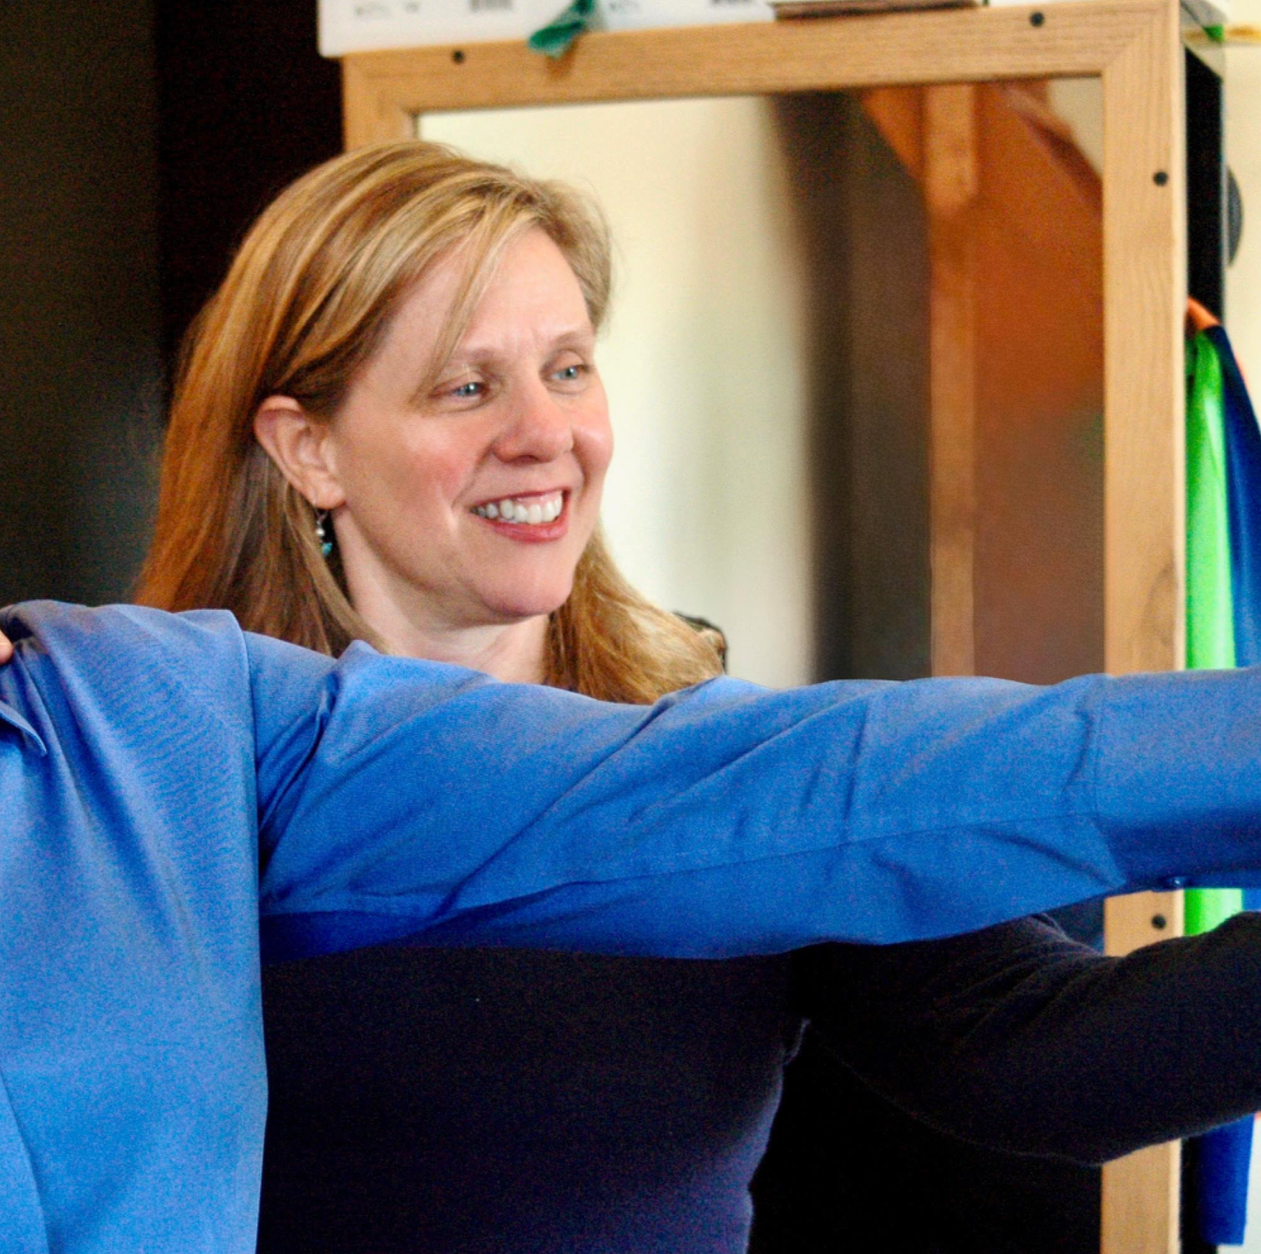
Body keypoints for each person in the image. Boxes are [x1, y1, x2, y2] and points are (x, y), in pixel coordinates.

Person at [118, 138, 1261, 1254]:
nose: (544, 433)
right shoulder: (154, 789)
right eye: (465, 386)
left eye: (567, 367)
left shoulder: (709, 766)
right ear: (306, 448)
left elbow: (1038, 1056)